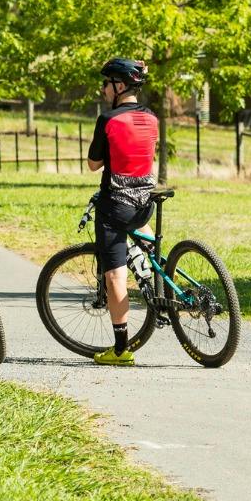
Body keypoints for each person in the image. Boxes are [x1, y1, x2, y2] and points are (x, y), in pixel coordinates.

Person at [86, 57, 160, 366]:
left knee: (114, 273)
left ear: (119, 86)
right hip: (146, 205)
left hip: (116, 207)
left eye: (105, 84)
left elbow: (93, 165)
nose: (102, 89)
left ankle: (120, 349)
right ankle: (154, 270)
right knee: (141, 233)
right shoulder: (153, 118)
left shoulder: (109, 119)